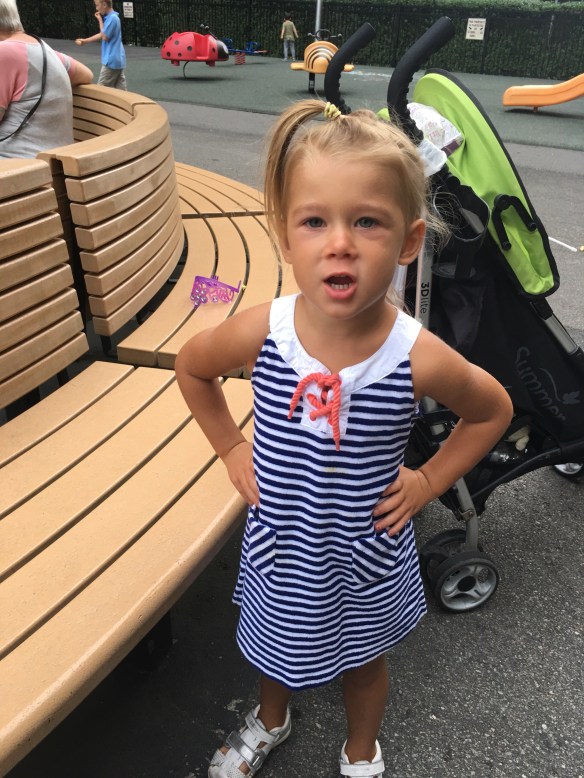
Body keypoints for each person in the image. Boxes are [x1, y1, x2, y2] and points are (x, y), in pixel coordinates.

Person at [175, 99, 514, 778]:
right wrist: (233, 449)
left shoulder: (415, 355)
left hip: (366, 553)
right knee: (274, 650)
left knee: (365, 663)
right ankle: (272, 717)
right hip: (284, 546)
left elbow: (492, 411)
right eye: (314, 221)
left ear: (408, 242)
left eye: (367, 222)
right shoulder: (263, 331)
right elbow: (192, 368)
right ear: (286, 236)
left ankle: (362, 748)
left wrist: (429, 480)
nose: (340, 244)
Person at [0, 0, 93, 158]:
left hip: (18, 162)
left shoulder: (4, 51)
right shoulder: (43, 49)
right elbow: (86, 74)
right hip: (55, 160)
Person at [75, 0, 126, 90]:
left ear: (104, 4)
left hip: (111, 61)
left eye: (97, 5)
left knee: (101, 90)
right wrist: (85, 40)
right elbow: (102, 34)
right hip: (117, 60)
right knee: (121, 91)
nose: (96, 8)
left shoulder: (112, 19)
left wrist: (100, 21)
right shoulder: (111, 18)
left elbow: (104, 36)